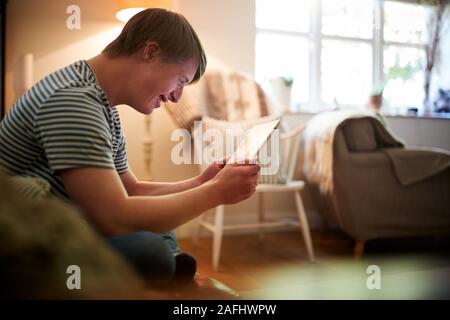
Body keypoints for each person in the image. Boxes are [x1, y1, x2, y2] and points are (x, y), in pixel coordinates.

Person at [0, 8, 259, 283]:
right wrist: (216, 193)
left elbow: (132, 190)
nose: (176, 97)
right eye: (180, 81)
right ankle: (169, 264)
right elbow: (114, 218)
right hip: (25, 239)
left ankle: (170, 265)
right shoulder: (73, 100)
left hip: (70, 223)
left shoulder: (101, 103)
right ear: (150, 52)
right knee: (150, 248)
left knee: (159, 224)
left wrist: (202, 182)